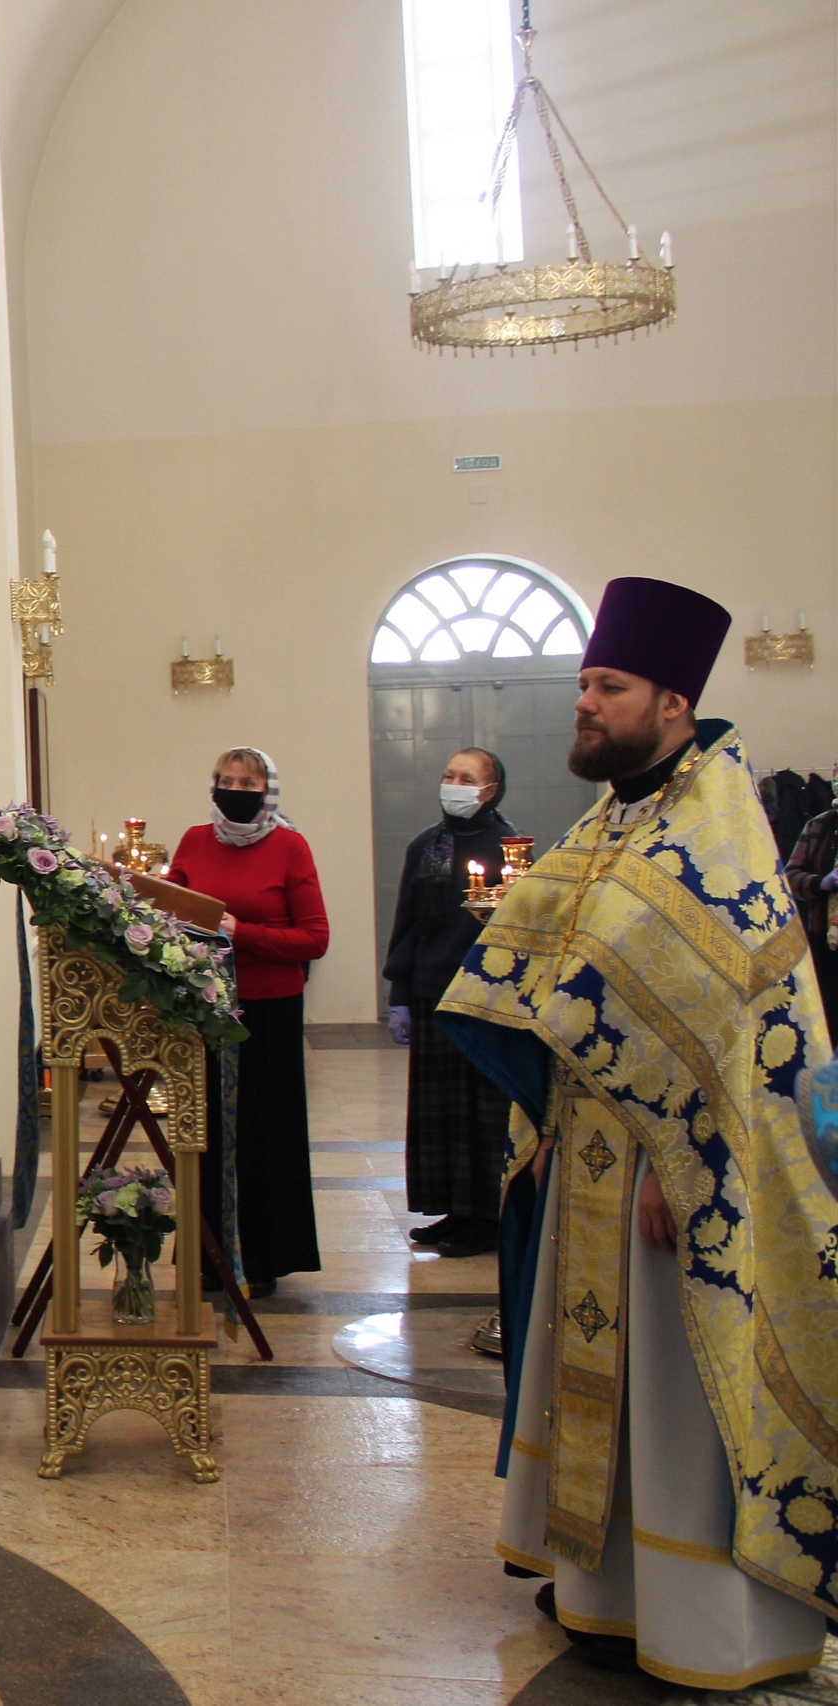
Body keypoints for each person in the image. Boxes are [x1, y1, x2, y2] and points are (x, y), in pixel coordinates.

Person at [438, 576, 838, 1685]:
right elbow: (554, 969)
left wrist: (687, 1158)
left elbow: (737, 1026)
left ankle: (710, 1625)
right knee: (605, 1386)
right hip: (595, 1151)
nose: (584, 704)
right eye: (581, 685)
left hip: (683, 1173)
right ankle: (608, 1592)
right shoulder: (614, 817)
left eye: (606, 687)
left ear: (672, 701)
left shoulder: (718, 824)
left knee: (678, 1400)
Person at [168, 747, 328, 1297]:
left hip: (268, 1009)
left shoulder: (289, 845)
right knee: (205, 1130)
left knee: (265, 1131)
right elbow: (171, 908)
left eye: (248, 782)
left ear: (267, 791)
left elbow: (315, 938)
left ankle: (262, 1257)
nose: (236, 789)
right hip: (206, 1007)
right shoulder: (194, 840)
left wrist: (242, 932)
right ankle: (208, 1253)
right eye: (227, 780)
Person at [382, 748, 516, 1261]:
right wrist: (399, 995)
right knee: (440, 1111)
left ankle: (485, 1216)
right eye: (448, 775)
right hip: (430, 989)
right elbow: (407, 924)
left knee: (481, 1112)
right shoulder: (426, 846)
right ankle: (453, 1210)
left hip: (485, 996)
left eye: (466, 777)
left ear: (490, 790)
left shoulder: (511, 848)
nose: (454, 784)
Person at [782, 799, 838, 1016]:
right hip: (825, 945)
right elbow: (790, 878)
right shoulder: (820, 825)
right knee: (828, 1016)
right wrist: (820, 882)